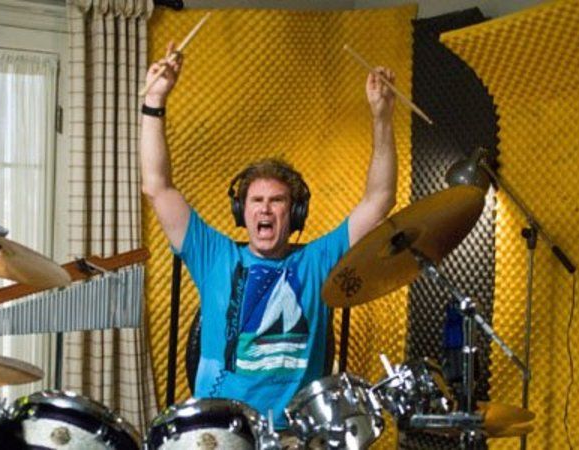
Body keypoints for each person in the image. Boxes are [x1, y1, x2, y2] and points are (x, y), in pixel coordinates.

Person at [140, 43, 398, 430]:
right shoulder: (214, 256)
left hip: (293, 435)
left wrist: (382, 117)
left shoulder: (317, 261)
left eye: (277, 201)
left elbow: (379, 200)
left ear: (294, 213)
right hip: (222, 430)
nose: (265, 209)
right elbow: (157, 186)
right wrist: (155, 102)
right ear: (241, 211)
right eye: (256, 201)